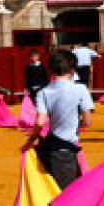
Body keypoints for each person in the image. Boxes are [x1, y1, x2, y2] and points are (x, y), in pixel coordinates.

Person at [22, 48, 94, 190]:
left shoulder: (43, 92)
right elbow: (88, 122)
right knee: (67, 194)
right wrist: (77, 123)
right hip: (65, 151)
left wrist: (33, 138)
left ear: (51, 71)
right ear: (73, 70)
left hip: (48, 147)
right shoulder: (80, 89)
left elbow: (40, 122)